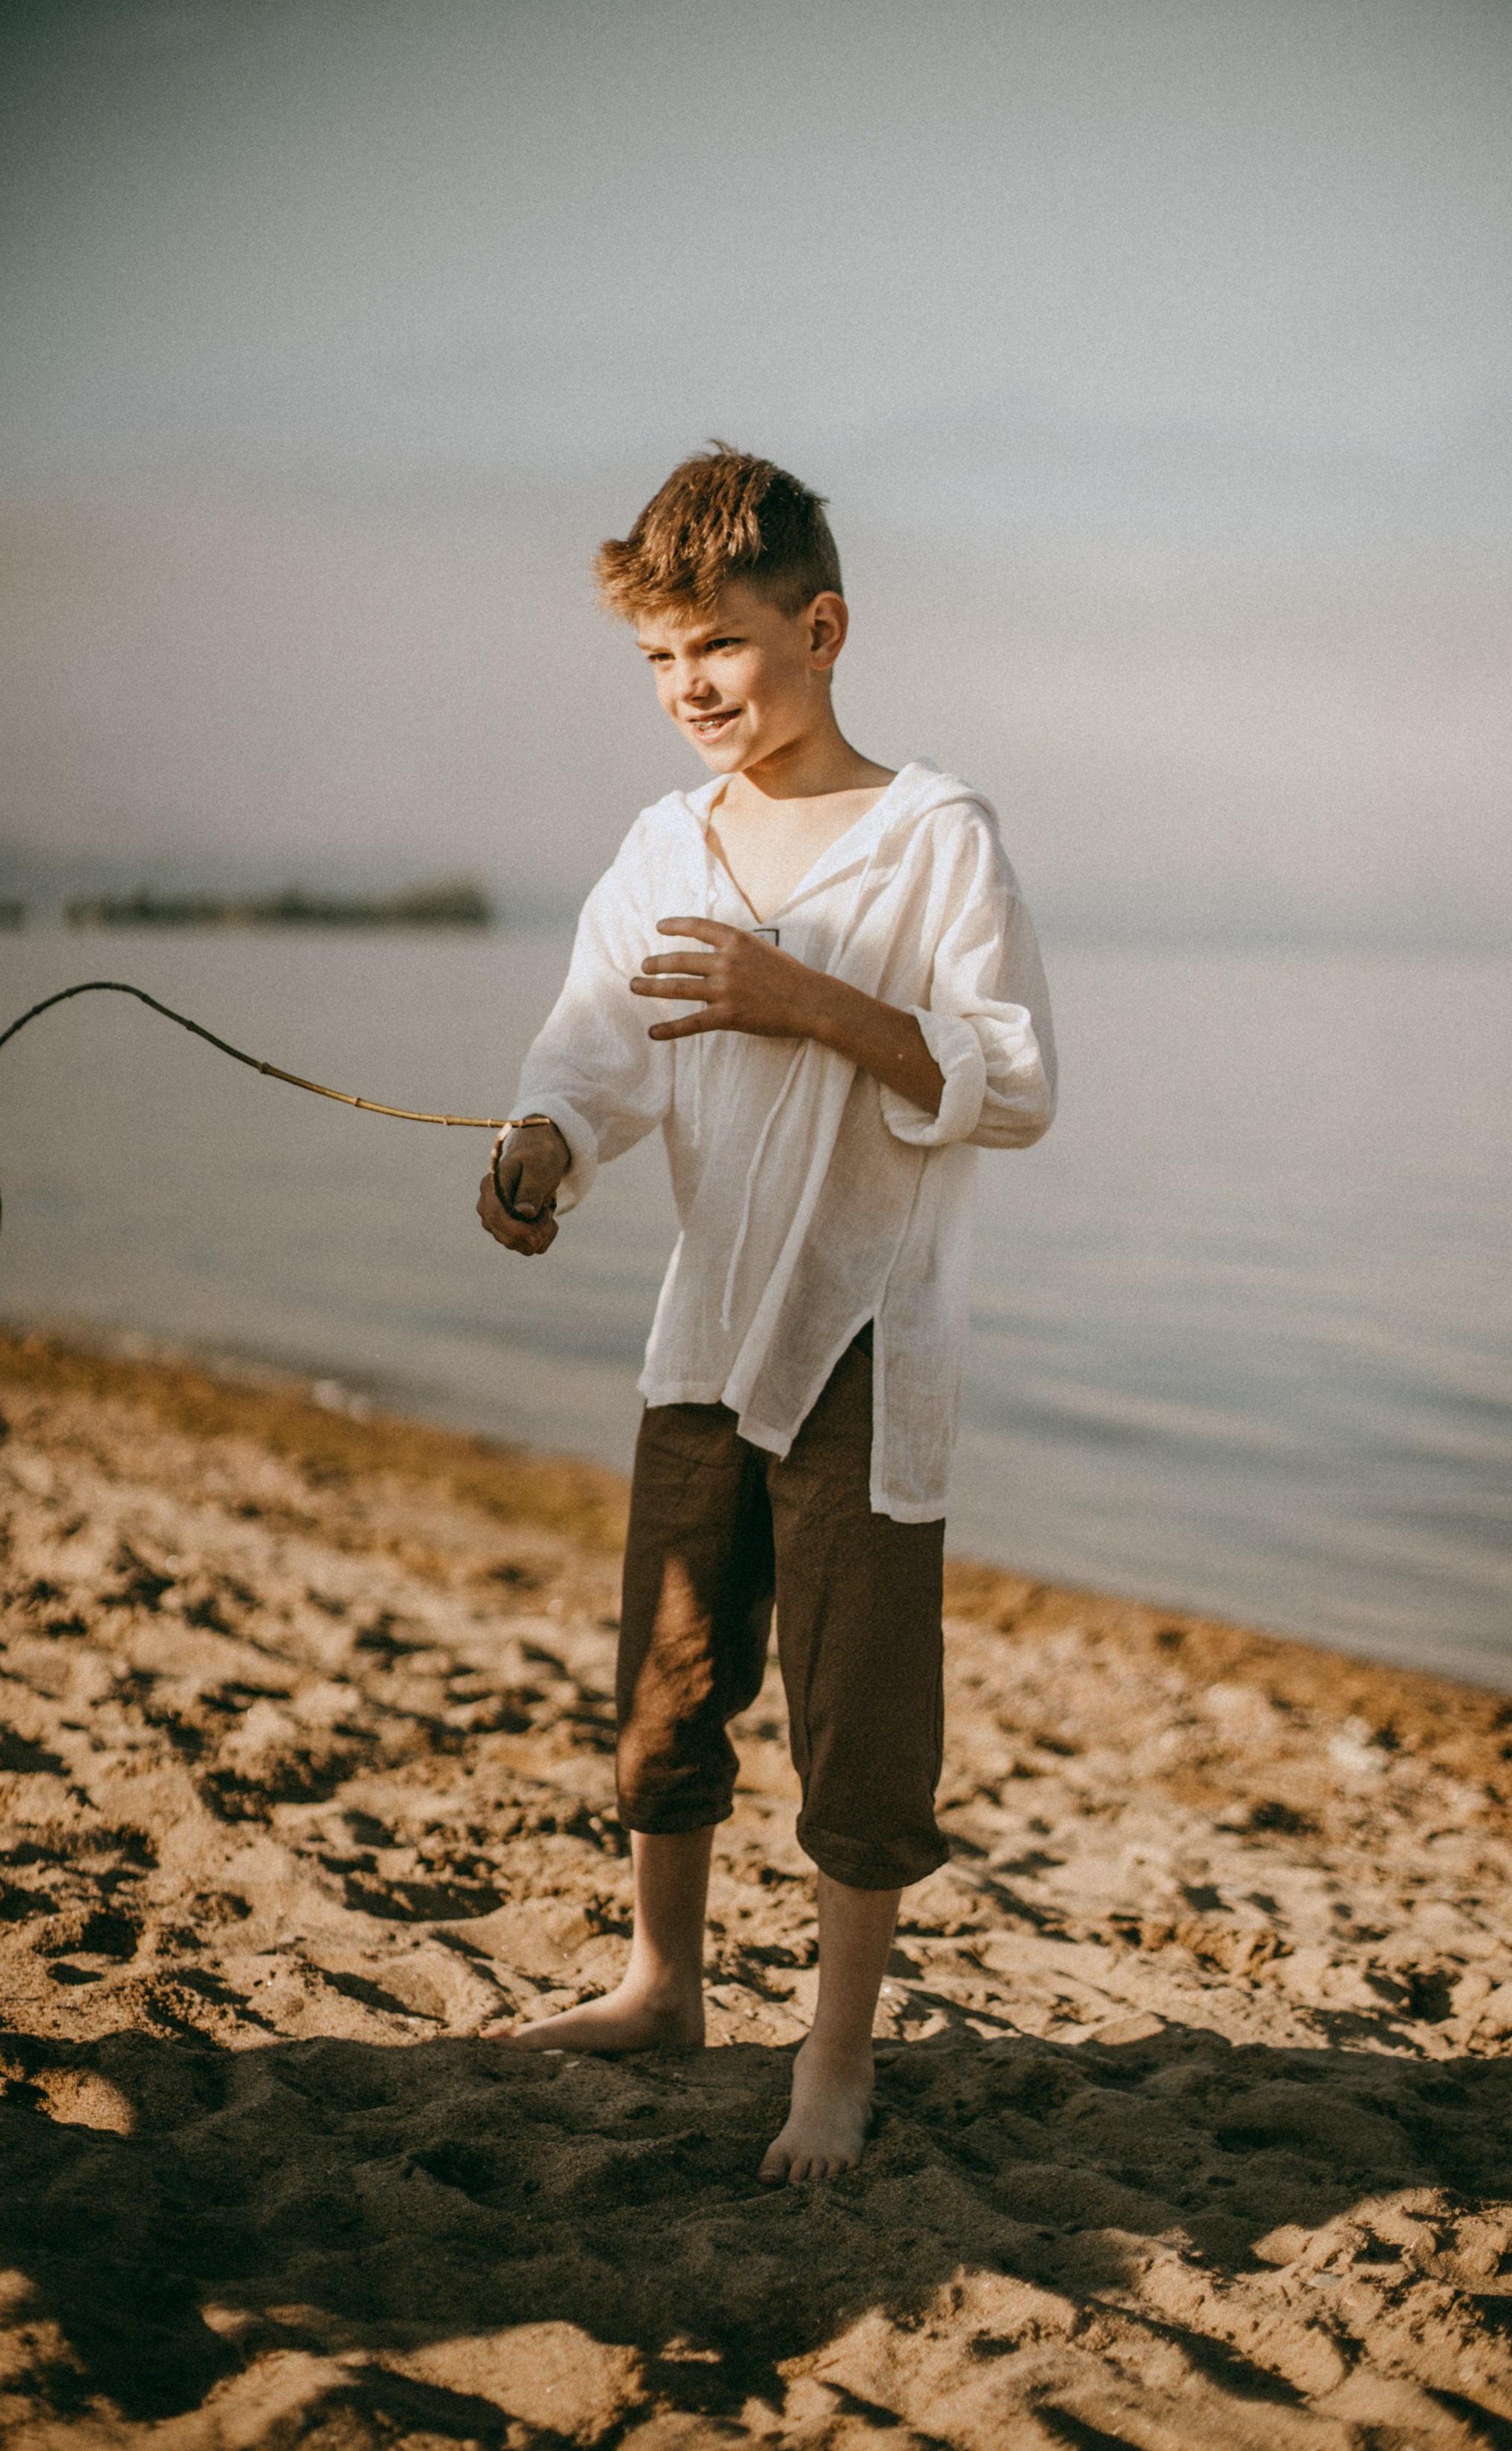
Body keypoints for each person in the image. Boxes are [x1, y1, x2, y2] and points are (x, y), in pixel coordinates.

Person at [477, 444, 1056, 2183]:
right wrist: (539, 1146)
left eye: (716, 648)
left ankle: (835, 2057)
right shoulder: (664, 844)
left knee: (855, 1713)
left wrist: (802, 998)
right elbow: (591, 1051)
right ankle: (664, 1986)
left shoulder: (933, 836)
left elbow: (1013, 1086)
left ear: (820, 625)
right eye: (657, 663)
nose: (689, 692)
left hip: (864, 1341)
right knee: (668, 1688)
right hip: (700, 1337)